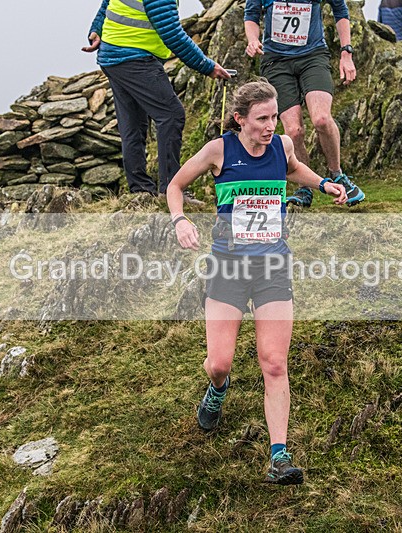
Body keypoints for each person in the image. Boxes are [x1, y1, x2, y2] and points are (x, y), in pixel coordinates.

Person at [167, 81, 347, 485]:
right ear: (240, 120)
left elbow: (295, 169)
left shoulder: (281, 146)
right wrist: (180, 221)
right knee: (219, 363)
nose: (271, 126)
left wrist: (323, 184)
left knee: (275, 362)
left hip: (272, 269)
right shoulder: (219, 151)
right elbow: (175, 186)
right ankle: (217, 390)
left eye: (274, 116)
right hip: (228, 269)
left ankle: (279, 457)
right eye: (262, 119)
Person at [83, 0, 230, 203]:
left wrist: (96, 28)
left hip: (113, 56)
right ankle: (171, 189)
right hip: (134, 57)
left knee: (133, 124)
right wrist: (207, 66)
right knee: (171, 115)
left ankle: (141, 191)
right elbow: (171, 34)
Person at [243, 0, 365, 208]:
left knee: (322, 119)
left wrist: (346, 53)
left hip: (313, 56)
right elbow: (251, 15)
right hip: (276, 61)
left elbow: (340, 10)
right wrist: (253, 40)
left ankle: (337, 175)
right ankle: (304, 187)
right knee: (294, 130)